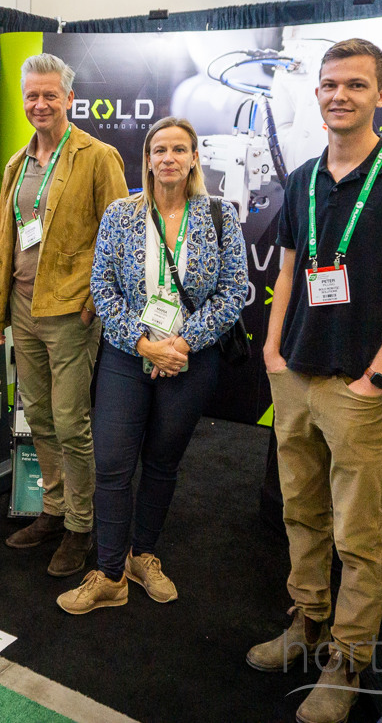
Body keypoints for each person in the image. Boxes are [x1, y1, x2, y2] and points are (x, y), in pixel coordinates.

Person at [247, 38, 382, 723]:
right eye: (331, 84)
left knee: (358, 537)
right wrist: (273, 350)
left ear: (381, 96)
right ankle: (306, 622)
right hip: (294, 376)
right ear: (317, 93)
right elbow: (288, 271)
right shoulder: (304, 177)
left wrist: (377, 377)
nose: (340, 95)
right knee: (300, 513)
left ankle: (348, 658)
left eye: (356, 85)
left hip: (358, 387)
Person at [57, 117, 247, 614]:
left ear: (194, 158)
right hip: (127, 356)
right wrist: (145, 345)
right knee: (113, 464)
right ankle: (109, 573)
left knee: (162, 464)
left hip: (190, 360)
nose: (168, 158)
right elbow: (102, 288)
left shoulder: (220, 215)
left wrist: (180, 344)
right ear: (147, 158)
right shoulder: (120, 214)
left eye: (179, 149)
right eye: (159, 149)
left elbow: (233, 291)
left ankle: (143, 555)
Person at [0, 53, 128, 577]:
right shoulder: (17, 164)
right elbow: (6, 240)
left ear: (69, 98)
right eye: (32, 96)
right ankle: (53, 508)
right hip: (23, 307)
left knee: (70, 421)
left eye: (50, 95)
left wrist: (94, 304)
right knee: (39, 417)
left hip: (71, 311)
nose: (40, 104)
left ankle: (80, 526)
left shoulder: (98, 157)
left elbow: (121, 237)